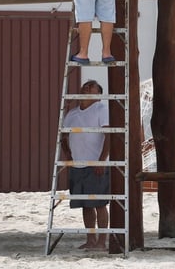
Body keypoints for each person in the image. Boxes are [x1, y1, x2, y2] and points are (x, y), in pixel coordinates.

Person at [61, 79, 110, 250]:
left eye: (92, 87)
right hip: (77, 164)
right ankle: (91, 239)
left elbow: (109, 136)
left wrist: (101, 160)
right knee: (85, 205)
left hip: (95, 163)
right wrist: (68, 154)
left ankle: (102, 241)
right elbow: (64, 137)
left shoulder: (101, 109)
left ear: (98, 95)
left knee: (99, 203)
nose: (87, 88)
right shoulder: (72, 113)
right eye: (85, 86)